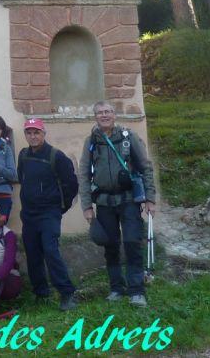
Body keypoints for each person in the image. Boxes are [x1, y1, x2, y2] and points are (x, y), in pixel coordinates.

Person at [78, 101, 157, 307]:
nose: (104, 115)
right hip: (104, 202)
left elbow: (145, 167)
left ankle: (136, 291)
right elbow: (84, 174)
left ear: (114, 115)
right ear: (95, 117)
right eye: (100, 113)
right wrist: (86, 206)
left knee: (132, 243)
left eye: (108, 112)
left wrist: (150, 199)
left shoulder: (128, 138)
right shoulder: (91, 142)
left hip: (129, 199)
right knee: (110, 246)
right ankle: (116, 288)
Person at [17, 118, 79, 311]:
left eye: (36, 132)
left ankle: (67, 293)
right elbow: (22, 178)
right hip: (29, 214)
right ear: (25, 135)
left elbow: (72, 185)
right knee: (33, 253)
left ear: (44, 134)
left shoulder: (57, 156)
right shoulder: (23, 155)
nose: (32, 136)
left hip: (49, 213)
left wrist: (61, 207)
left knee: (50, 251)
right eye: (29, 132)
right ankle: (41, 293)